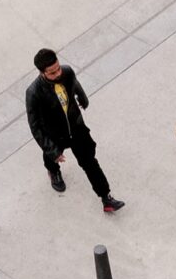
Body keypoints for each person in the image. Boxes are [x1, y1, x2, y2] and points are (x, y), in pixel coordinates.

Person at [25, 49, 125, 213]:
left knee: (90, 162)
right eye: (52, 72)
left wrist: (82, 98)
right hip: (55, 134)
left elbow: (74, 84)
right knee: (51, 158)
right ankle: (53, 171)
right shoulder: (33, 93)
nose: (58, 73)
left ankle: (106, 197)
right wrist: (52, 150)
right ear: (42, 73)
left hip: (76, 128)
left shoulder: (67, 71)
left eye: (58, 68)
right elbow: (34, 126)